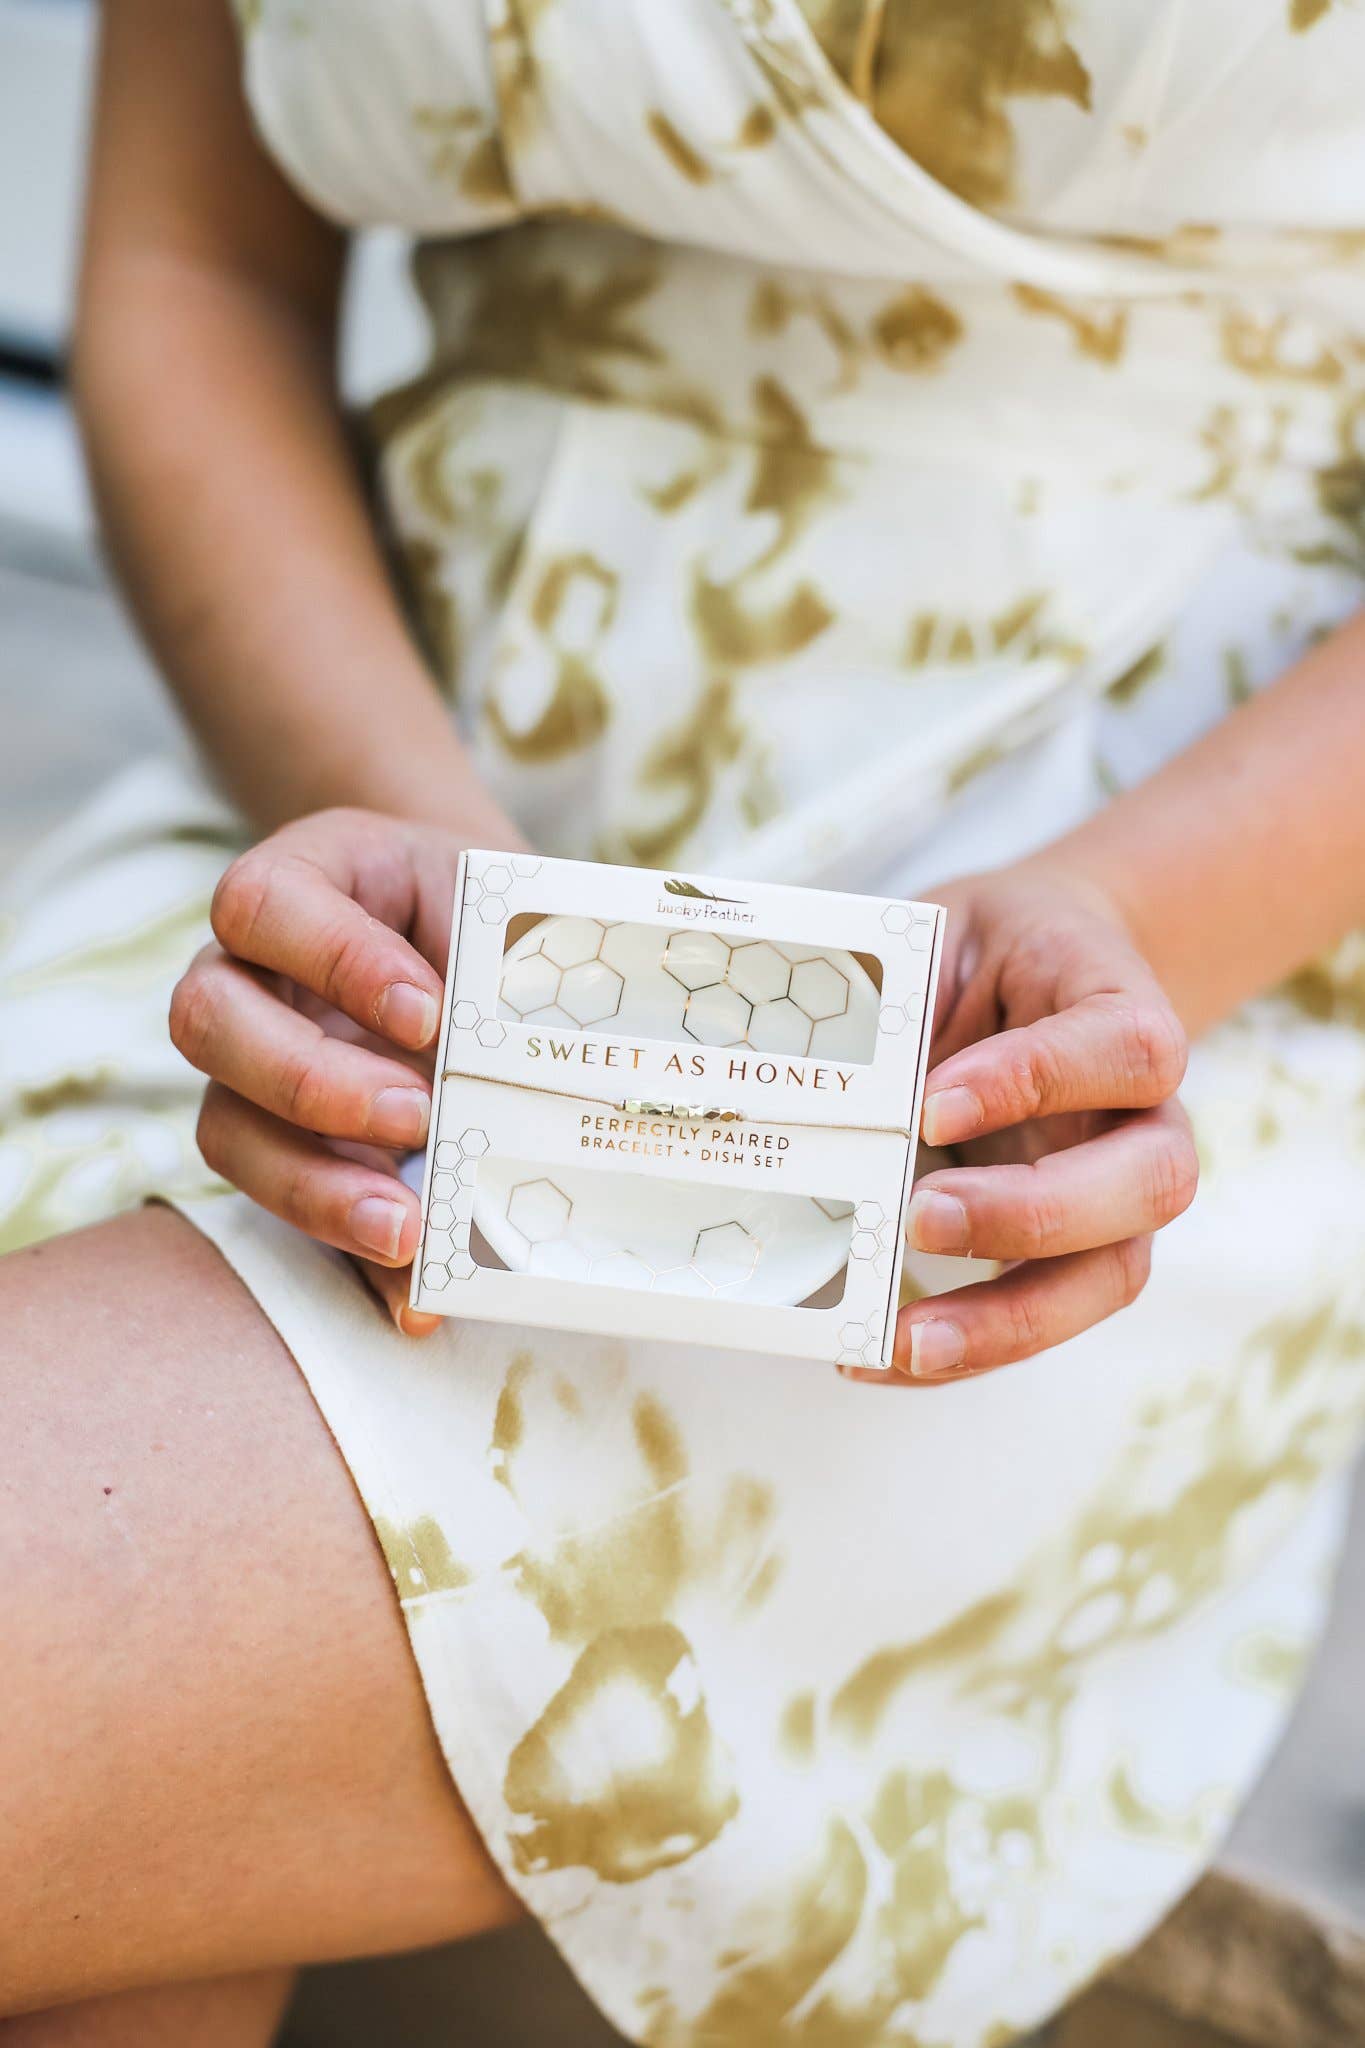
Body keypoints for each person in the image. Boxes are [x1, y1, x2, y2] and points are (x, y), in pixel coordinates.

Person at [3, 2, 1363, 2042]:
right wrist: (461, 938)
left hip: (1059, 1032)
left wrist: (1126, 936)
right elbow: (192, 263)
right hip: (340, 830)